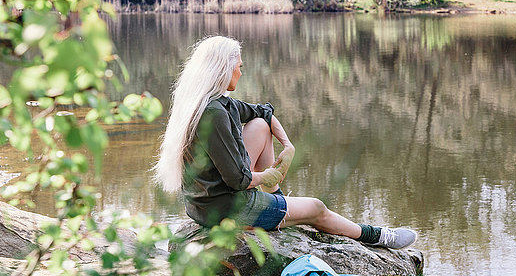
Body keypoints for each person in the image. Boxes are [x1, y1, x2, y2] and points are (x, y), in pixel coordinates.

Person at [153, 36, 417, 249]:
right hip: (226, 211)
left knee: (259, 126)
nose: (241, 72)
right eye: (239, 66)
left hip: (202, 206)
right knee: (316, 208)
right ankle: (376, 236)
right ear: (224, 68)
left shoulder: (213, 103)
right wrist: (269, 175)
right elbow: (239, 181)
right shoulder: (214, 114)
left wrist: (288, 146)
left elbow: (263, 112)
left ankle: (276, 201)